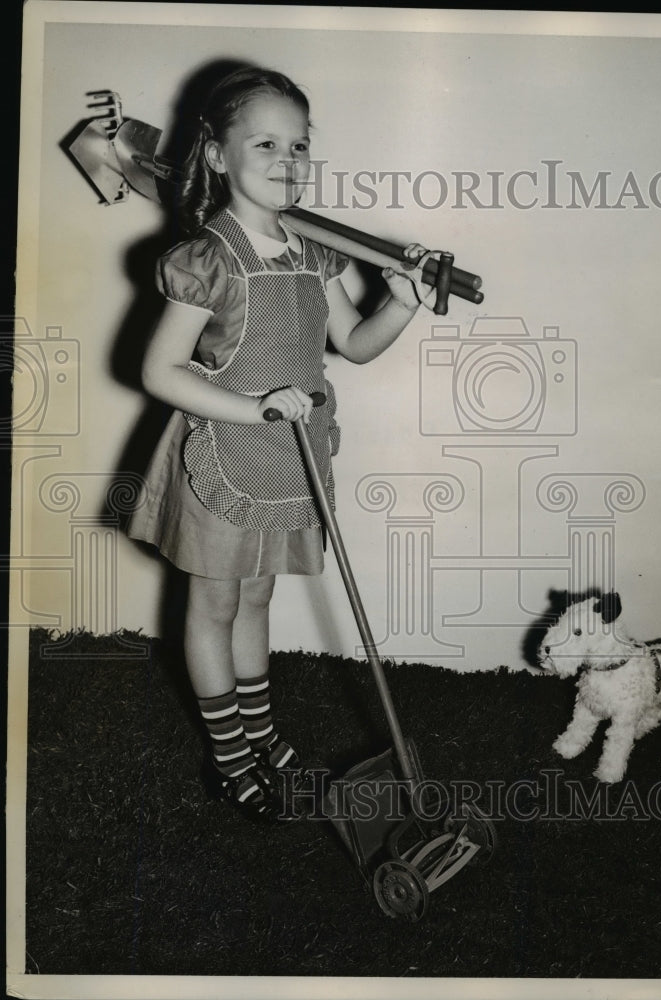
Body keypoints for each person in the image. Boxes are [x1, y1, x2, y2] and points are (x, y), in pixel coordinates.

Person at [128, 66, 426, 823]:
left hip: (289, 455)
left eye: (300, 145)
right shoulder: (207, 259)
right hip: (222, 458)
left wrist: (400, 304)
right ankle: (230, 759)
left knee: (258, 594)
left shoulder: (313, 252)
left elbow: (354, 345)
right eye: (265, 142)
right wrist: (254, 403)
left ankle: (263, 734)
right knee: (215, 600)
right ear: (218, 155)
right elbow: (158, 370)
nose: (288, 160)